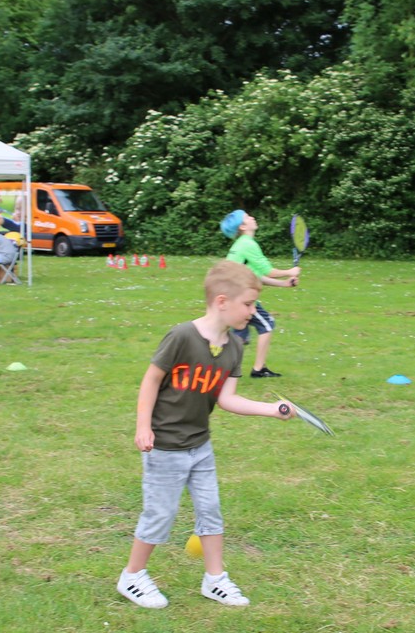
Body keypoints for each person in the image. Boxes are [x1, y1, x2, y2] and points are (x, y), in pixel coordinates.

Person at [118, 260, 297, 609]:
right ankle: (132, 576)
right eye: (248, 304)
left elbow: (227, 399)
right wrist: (143, 426)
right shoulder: (182, 336)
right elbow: (151, 380)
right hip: (165, 445)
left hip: (200, 445)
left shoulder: (234, 347)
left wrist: (271, 409)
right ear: (221, 301)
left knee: (211, 511)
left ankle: (215, 580)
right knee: (160, 514)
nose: (253, 311)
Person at [220, 209, 301, 378]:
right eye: (247, 217)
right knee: (267, 325)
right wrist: (290, 271)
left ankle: (221, 369)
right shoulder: (248, 244)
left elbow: (257, 277)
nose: (252, 217)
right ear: (242, 226)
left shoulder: (239, 245)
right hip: (242, 299)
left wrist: (284, 284)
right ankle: (258, 369)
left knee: (238, 336)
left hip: (231, 297)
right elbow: (268, 271)